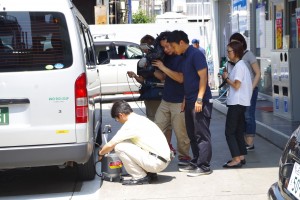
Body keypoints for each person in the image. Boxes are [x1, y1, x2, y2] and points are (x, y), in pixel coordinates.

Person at [166, 30, 213, 177]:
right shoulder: (184, 56)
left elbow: (203, 77)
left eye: (173, 46)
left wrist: (199, 98)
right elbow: (188, 80)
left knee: (201, 134)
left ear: (181, 42)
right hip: (190, 100)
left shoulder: (196, 54)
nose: (173, 50)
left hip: (200, 101)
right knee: (192, 134)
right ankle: (197, 160)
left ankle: (204, 166)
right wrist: (186, 99)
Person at [98, 100, 171, 185]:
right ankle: (150, 173)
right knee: (128, 141)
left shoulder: (130, 125)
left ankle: (139, 176)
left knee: (119, 147)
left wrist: (100, 153)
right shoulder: (140, 118)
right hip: (162, 160)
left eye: (116, 119)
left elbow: (111, 144)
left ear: (121, 115)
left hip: (156, 163)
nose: (118, 121)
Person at [127, 35, 174, 154]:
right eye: (142, 46)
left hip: (162, 94)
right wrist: (135, 76)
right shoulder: (144, 61)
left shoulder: (161, 59)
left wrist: (154, 69)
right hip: (149, 94)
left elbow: (163, 77)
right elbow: (143, 80)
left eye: (145, 46)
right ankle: (158, 146)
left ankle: (167, 146)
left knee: (166, 123)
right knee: (153, 122)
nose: (144, 49)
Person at [152, 31, 191, 166]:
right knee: (157, 127)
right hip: (166, 99)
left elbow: (180, 78)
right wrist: (153, 68)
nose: (166, 50)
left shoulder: (182, 57)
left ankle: (184, 157)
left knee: (181, 133)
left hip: (179, 101)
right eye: (163, 47)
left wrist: (163, 67)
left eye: (168, 46)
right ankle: (157, 153)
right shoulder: (165, 57)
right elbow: (163, 77)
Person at [221, 41, 252, 168]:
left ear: (236, 52)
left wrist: (226, 78)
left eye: (229, 51)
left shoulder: (239, 66)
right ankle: (241, 156)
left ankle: (236, 159)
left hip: (236, 103)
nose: (227, 54)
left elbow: (237, 85)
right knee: (238, 131)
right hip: (241, 102)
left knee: (230, 132)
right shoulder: (241, 65)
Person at [229, 33, 261, 151]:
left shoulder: (248, 55)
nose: (233, 46)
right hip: (238, 92)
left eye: (235, 43)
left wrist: (251, 89)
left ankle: (250, 143)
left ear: (242, 43)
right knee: (240, 116)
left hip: (249, 91)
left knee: (248, 115)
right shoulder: (232, 57)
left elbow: (258, 73)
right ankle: (242, 141)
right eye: (231, 43)